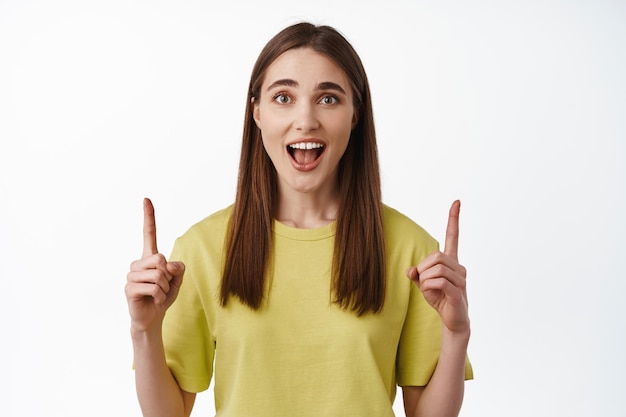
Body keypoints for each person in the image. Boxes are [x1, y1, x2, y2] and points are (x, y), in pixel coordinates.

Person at [125, 22, 473, 417]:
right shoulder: (201, 250)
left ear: (355, 114)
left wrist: (456, 334)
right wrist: (144, 331)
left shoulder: (410, 250)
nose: (306, 120)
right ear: (256, 112)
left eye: (328, 99)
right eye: (284, 97)